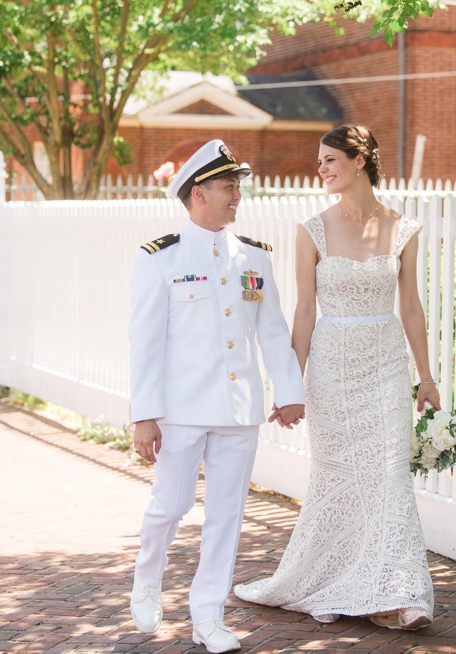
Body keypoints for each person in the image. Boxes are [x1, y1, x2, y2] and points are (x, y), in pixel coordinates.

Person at [233, 125, 440, 630]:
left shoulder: (403, 228)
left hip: (386, 363)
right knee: (339, 477)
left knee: (389, 476)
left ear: (359, 159)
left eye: (329, 160)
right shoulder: (312, 229)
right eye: (319, 161)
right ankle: (336, 580)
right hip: (332, 366)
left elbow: (411, 308)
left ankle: (398, 591)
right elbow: (304, 312)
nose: (321, 169)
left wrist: (426, 377)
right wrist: (289, 387)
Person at [128, 139, 305, 653]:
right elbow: (146, 342)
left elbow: (272, 331)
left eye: (238, 187)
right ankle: (147, 578)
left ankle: (208, 616)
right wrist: (146, 415)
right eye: (229, 187)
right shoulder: (160, 259)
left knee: (227, 515)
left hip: (238, 408)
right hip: (180, 409)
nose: (237, 196)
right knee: (172, 503)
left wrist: (288, 391)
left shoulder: (253, 257)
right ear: (198, 193)